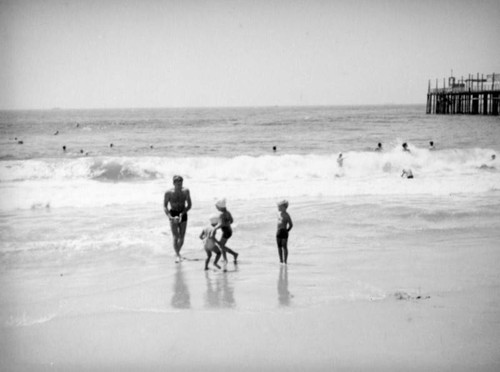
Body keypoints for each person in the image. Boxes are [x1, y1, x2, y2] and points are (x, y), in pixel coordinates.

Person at [164, 175, 192, 263]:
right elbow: (165, 206)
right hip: (173, 213)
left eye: (181, 184)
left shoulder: (186, 191)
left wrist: (182, 213)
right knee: (176, 236)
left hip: (183, 213)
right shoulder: (168, 193)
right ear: (174, 184)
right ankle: (178, 255)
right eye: (178, 184)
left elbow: (189, 205)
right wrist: (170, 217)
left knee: (182, 236)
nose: (180, 186)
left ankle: (177, 253)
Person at [213, 198, 238, 264]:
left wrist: (215, 228)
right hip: (229, 231)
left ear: (220, 207)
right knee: (222, 245)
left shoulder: (221, 214)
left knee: (221, 246)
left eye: (217, 207)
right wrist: (227, 223)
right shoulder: (228, 212)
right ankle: (225, 259)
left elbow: (222, 224)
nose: (217, 208)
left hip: (226, 232)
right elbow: (232, 221)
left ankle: (234, 254)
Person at [276, 200, 293, 264]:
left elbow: (291, 225)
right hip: (278, 232)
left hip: (284, 232)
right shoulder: (278, 214)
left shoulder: (287, 215)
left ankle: (285, 261)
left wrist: (287, 231)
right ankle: (281, 260)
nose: (278, 208)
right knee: (279, 247)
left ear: (283, 207)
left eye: (279, 207)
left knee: (284, 247)